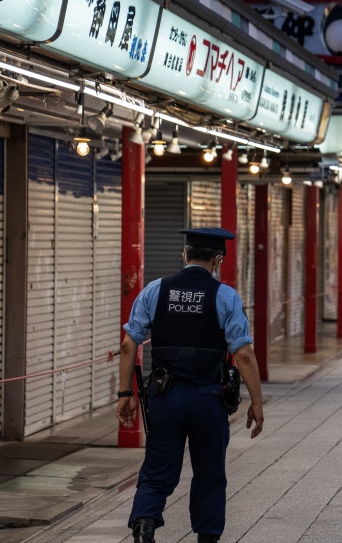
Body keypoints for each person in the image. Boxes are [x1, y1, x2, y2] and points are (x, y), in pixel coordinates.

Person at [117, 228, 265, 543]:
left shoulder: (155, 290)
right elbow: (245, 355)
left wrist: (125, 393)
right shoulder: (225, 295)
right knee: (210, 475)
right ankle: (207, 538)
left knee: (157, 472)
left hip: (165, 396)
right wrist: (257, 402)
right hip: (208, 398)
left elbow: (130, 345)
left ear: (184, 255)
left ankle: (144, 524)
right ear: (218, 260)